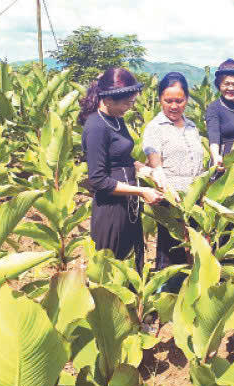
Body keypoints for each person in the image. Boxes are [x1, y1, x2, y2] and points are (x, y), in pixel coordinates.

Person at [79, 67, 164, 271]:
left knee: (131, 265)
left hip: (128, 204)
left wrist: (143, 168)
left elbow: (121, 156)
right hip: (111, 209)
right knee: (110, 268)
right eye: (127, 102)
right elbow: (98, 179)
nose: (129, 107)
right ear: (108, 100)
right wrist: (141, 191)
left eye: (132, 102)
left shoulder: (117, 119)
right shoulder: (96, 127)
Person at [142, 72, 205, 274]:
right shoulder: (155, 127)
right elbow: (154, 159)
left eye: (179, 100)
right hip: (171, 200)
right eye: (168, 101)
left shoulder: (192, 126)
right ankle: (168, 291)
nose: (174, 106)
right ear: (160, 99)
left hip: (195, 201)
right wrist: (167, 189)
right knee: (171, 254)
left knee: (194, 253)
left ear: (187, 99)